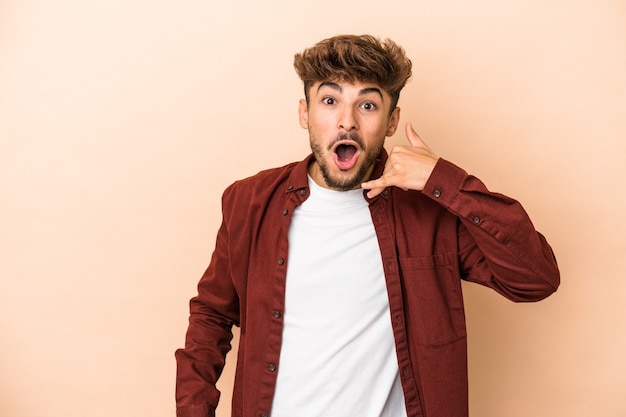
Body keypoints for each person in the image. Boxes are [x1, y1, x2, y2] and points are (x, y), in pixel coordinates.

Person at [175, 34, 560, 417]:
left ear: (391, 121)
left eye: (368, 105)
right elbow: (212, 313)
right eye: (329, 101)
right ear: (304, 114)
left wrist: (444, 180)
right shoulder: (249, 202)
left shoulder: (429, 212)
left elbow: (535, 278)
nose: (347, 122)